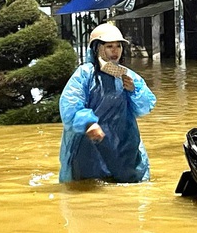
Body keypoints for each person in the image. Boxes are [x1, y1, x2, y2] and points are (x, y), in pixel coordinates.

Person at [59, 23, 156, 183]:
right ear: (97, 48)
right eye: (109, 46)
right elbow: (69, 106)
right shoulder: (85, 74)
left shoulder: (127, 75)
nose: (115, 51)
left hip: (124, 144)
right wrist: (88, 123)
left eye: (118, 46)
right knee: (90, 192)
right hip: (90, 146)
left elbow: (146, 106)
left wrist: (134, 91)